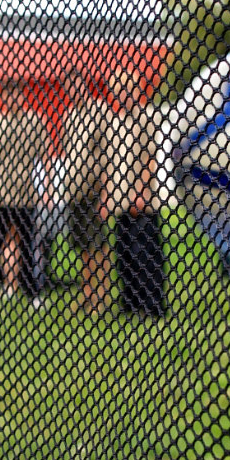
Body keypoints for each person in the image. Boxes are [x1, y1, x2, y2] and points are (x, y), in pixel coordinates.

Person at [0, 80, 48, 312]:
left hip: (26, 194)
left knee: (28, 246)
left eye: (16, 94)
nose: (12, 99)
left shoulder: (34, 121)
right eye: (7, 95)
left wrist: (44, 189)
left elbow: (44, 158)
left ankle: (32, 294)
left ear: (23, 96)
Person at [106, 71, 167, 319]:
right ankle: (130, 301)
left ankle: (152, 304)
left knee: (146, 252)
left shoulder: (146, 117)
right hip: (120, 200)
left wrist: (141, 191)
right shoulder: (116, 121)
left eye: (125, 88)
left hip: (142, 200)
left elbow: (149, 158)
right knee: (125, 253)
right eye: (117, 89)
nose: (122, 93)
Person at [58, 68, 112, 312]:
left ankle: (102, 296)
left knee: (98, 246)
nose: (73, 90)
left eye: (76, 84)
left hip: (94, 190)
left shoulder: (99, 111)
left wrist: (106, 191)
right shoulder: (69, 116)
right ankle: (87, 293)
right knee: (82, 248)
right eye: (68, 86)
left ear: (85, 84)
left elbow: (109, 152)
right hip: (74, 191)